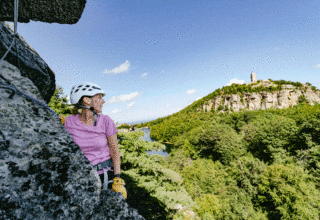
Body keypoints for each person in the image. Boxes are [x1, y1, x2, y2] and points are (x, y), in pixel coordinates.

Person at [62, 82, 127, 199]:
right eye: (99, 97)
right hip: (81, 177)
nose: (103, 101)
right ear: (87, 100)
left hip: (106, 177)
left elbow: (115, 151)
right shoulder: (67, 122)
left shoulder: (106, 121)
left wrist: (117, 178)